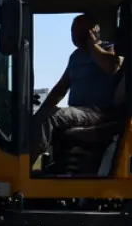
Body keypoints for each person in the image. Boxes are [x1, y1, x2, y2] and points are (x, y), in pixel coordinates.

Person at [32, 13, 124, 162]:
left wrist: (93, 45)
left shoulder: (109, 48)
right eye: (73, 32)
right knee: (44, 115)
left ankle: (25, 162)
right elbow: (61, 88)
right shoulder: (76, 56)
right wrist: (40, 112)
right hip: (79, 112)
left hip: (97, 112)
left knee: (52, 117)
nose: (75, 36)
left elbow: (111, 67)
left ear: (93, 30)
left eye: (81, 31)